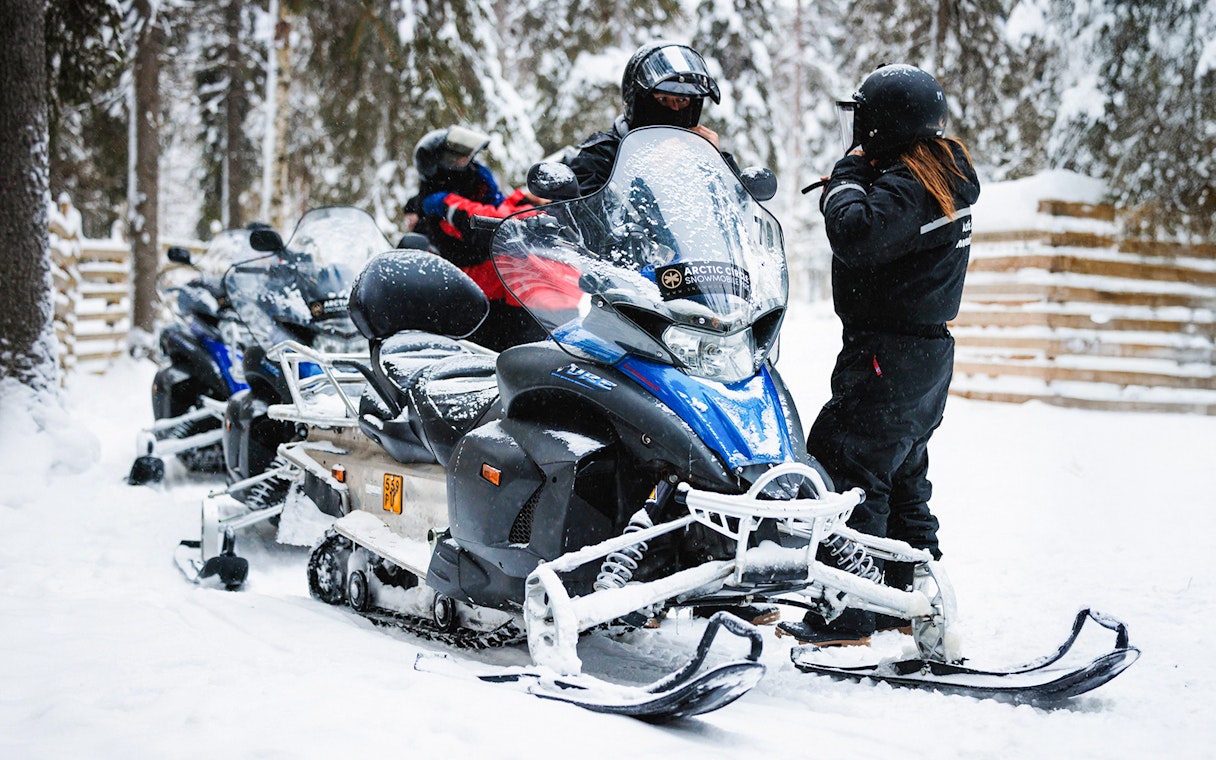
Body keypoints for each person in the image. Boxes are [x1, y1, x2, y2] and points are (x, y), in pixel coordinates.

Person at [777, 64, 981, 646]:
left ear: (882, 122)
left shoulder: (910, 183)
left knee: (845, 468)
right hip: (921, 352)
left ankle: (848, 614)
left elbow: (858, 234)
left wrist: (844, 180)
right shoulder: (941, 171)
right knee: (902, 474)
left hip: (887, 352)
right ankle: (908, 597)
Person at [410, 125, 548, 351]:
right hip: (477, 300)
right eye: (458, 159)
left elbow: (501, 208)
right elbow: (491, 223)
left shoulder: (477, 185)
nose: (467, 163)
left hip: (505, 292)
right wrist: (527, 207)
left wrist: (525, 200)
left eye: (468, 157)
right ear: (438, 166)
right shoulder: (439, 202)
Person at [565, 41, 731, 195]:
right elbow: (587, 217)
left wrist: (718, 164)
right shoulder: (602, 155)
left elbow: (741, 211)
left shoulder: (702, 155)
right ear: (638, 102)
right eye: (662, 99)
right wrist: (648, 173)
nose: (674, 109)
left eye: (682, 101)